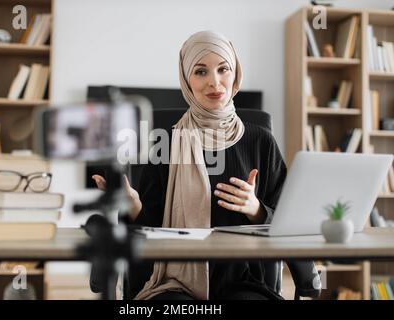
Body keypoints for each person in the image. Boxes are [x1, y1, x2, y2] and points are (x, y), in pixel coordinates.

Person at [93, 30, 286, 300]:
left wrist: (257, 210)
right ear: (186, 79)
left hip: (242, 281)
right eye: (200, 71)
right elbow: (149, 232)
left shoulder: (261, 141)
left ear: (236, 74)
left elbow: (288, 221)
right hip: (174, 282)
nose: (215, 82)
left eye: (223, 69)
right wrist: (133, 204)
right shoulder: (164, 143)